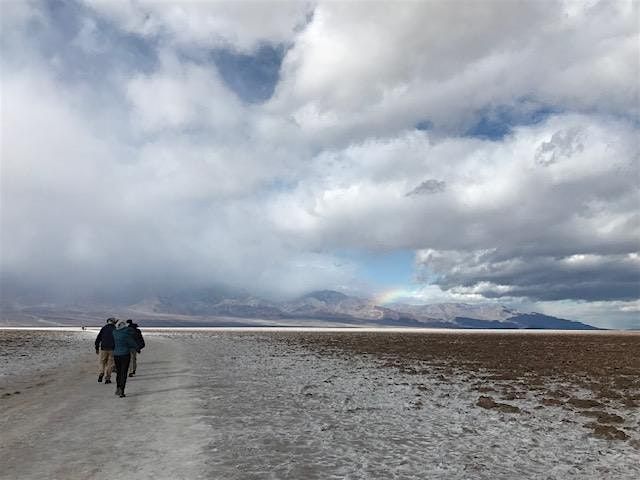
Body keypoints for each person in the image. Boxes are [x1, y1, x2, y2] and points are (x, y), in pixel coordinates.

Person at [112, 319, 140, 398]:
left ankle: (118, 387)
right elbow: (132, 342)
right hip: (125, 355)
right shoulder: (126, 334)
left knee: (119, 372)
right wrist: (138, 349)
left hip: (116, 355)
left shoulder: (114, 333)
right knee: (123, 373)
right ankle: (122, 390)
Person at [94, 318, 116, 384]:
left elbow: (98, 338)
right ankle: (107, 379)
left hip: (103, 348)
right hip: (112, 349)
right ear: (114, 322)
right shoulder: (115, 329)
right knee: (110, 364)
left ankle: (101, 372)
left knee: (102, 362)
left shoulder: (104, 328)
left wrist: (97, 348)